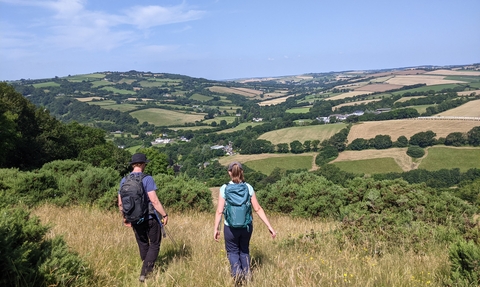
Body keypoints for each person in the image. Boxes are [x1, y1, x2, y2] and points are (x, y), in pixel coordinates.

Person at [214, 161, 276, 284]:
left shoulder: (224, 188)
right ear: (242, 172)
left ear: (229, 173)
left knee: (232, 251)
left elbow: (219, 211)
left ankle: (237, 275)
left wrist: (216, 229)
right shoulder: (248, 187)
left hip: (230, 227)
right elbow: (257, 208)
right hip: (246, 227)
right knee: (244, 250)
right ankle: (247, 277)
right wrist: (269, 226)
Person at [118, 153, 169, 283]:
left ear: (133, 165)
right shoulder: (147, 179)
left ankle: (146, 269)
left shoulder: (124, 180)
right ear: (142, 164)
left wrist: (125, 217)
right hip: (150, 217)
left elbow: (120, 203)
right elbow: (154, 200)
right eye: (145, 163)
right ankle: (145, 273)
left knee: (142, 243)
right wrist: (164, 214)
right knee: (155, 244)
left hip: (134, 218)